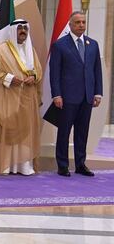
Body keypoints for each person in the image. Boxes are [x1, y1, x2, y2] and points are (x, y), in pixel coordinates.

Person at [49, 11, 102, 177]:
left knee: (82, 132)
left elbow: (96, 70)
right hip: (67, 97)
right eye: (77, 22)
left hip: (87, 96)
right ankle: (63, 165)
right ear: (70, 25)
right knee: (64, 132)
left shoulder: (92, 44)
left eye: (83, 22)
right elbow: (54, 73)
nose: (81, 25)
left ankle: (80, 164)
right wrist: (56, 94)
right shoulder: (60, 45)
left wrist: (98, 93)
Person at [0, 19, 42, 175]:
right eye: (20, 28)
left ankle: (24, 165)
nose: (23, 31)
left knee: (26, 130)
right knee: (9, 129)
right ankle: (7, 164)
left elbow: (38, 70)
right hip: (9, 97)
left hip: (27, 97)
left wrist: (34, 77)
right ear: (13, 31)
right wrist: (10, 78)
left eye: (25, 28)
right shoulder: (2, 50)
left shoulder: (31, 49)